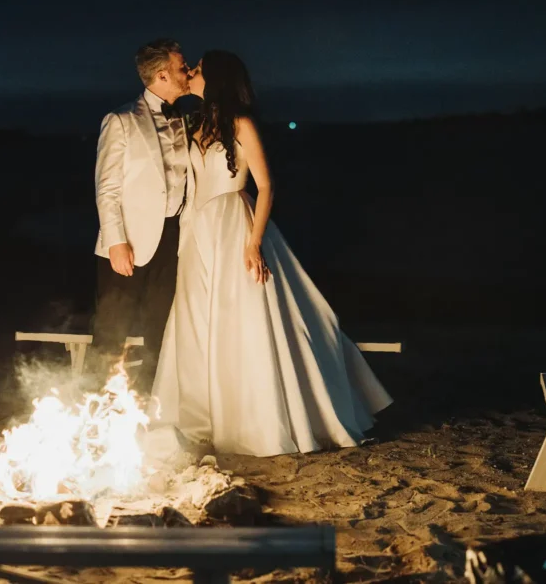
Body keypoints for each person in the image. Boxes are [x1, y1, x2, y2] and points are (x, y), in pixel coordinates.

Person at [149, 51, 393, 457]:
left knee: (239, 316)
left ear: (216, 78)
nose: (189, 72)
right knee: (197, 319)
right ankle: (202, 414)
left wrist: (253, 242)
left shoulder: (240, 122)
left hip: (232, 222)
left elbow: (266, 185)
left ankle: (253, 418)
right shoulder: (196, 123)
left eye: (197, 69)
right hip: (199, 229)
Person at [91, 38, 191, 392]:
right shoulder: (120, 119)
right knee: (111, 330)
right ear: (162, 74)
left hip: (174, 236)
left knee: (161, 328)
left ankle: (153, 404)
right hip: (128, 242)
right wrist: (117, 241)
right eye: (182, 67)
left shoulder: (186, 118)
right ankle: (93, 406)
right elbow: (107, 188)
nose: (188, 71)